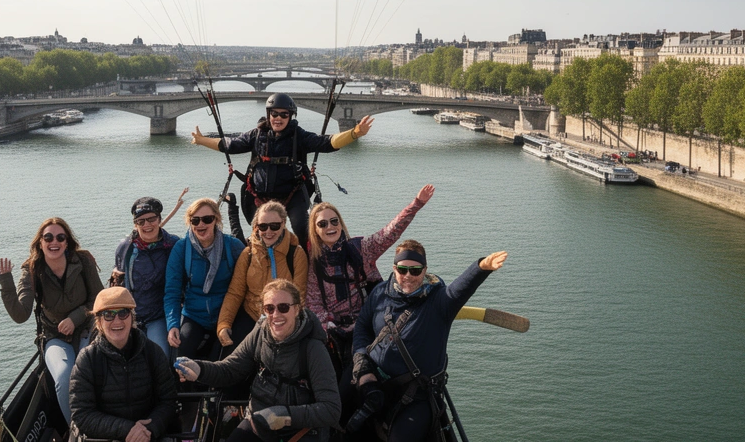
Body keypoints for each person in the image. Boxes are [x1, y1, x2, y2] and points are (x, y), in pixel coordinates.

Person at [351, 240, 508, 442]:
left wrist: (481, 268)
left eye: (415, 271)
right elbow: (362, 327)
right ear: (394, 268)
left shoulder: (439, 302)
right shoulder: (380, 293)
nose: (408, 276)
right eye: (403, 269)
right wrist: (363, 368)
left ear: (425, 270)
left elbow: (458, 290)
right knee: (339, 411)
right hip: (374, 378)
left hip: (415, 396)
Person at [305, 186, 433, 429]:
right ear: (315, 230)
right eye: (322, 224)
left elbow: (390, 232)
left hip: (370, 324)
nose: (330, 227)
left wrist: (416, 204)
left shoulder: (361, 249)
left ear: (341, 224)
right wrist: (329, 324)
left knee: (353, 379)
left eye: (334, 221)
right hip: (336, 332)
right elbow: (312, 302)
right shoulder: (313, 265)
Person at [191, 92, 373, 242]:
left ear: (290, 116)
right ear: (269, 115)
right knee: (260, 232)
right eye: (274, 114)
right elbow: (229, 145)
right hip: (259, 195)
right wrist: (202, 140)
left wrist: (354, 133)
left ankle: (306, 263)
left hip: (292, 194)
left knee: (301, 228)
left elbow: (327, 143)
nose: (278, 118)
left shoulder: (298, 136)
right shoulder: (257, 135)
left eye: (283, 114)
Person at [175, 279, 341, 442]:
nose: (276, 315)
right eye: (269, 308)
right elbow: (230, 369)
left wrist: (283, 415)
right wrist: (199, 369)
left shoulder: (313, 349)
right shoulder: (260, 333)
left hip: (298, 431)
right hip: (258, 425)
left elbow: (331, 409)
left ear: (297, 309)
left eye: (283, 307)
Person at [0, 217, 105, 423]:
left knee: (90, 367)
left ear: (67, 242)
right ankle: (77, 428)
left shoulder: (82, 261)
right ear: (40, 242)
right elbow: (21, 315)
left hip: (86, 327)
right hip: (55, 336)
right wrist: (6, 284)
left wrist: (75, 318)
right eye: (48, 237)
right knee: (65, 378)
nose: (53, 242)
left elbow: (98, 299)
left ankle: (102, 419)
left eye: (60, 237)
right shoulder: (31, 270)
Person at [68, 287, 178, 442]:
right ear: (99, 322)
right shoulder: (88, 359)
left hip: (148, 435)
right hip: (108, 437)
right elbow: (82, 414)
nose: (117, 320)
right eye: (108, 315)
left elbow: (168, 400)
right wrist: (127, 430)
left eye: (123, 313)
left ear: (132, 318)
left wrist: (149, 429)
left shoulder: (153, 353)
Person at [165, 197, 249, 361]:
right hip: (194, 315)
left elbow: (247, 283)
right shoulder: (182, 249)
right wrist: (173, 324)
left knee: (226, 358)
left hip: (226, 314)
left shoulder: (232, 247)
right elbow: (172, 291)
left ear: (216, 220)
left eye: (207, 219)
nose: (201, 225)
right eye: (195, 220)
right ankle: (185, 386)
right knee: (181, 353)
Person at [218, 201, 308, 352]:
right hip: (251, 315)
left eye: (274, 226)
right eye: (263, 226)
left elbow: (300, 297)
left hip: (281, 317)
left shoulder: (296, 254)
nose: (268, 231)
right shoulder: (248, 254)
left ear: (283, 224)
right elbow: (235, 292)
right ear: (256, 227)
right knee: (226, 355)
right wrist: (224, 325)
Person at [112, 197, 180, 354]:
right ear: (135, 224)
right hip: (130, 317)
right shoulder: (125, 248)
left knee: (160, 355)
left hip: (159, 315)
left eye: (152, 219)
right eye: (141, 221)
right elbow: (118, 284)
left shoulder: (174, 245)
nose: (147, 225)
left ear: (159, 219)